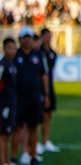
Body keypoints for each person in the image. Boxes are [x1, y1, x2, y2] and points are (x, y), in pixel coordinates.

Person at [13, 28, 47, 165]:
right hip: (19, 98)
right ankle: (16, 156)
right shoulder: (15, 55)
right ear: (20, 39)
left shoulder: (38, 55)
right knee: (17, 128)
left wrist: (46, 94)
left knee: (34, 127)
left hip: (34, 97)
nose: (27, 40)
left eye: (29, 37)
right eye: (24, 37)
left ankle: (34, 155)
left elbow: (43, 75)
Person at [37, 30, 58, 155]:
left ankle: (45, 141)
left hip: (49, 86)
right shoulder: (38, 53)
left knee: (48, 115)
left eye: (49, 36)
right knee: (37, 117)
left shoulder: (52, 53)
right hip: (38, 88)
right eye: (45, 36)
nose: (48, 38)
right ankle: (36, 143)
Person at [1, 38, 18, 165]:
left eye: (13, 48)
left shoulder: (12, 65)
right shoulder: (2, 65)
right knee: (2, 134)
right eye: (9, 48)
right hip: (3, 105)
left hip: (11, 103)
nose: (12, 51)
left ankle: (6, 160)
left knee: (7, 134)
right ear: (4, 49)